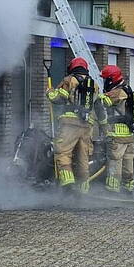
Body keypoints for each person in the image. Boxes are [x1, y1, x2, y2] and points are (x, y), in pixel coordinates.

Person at [46, 57, 97, 192]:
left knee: (63, 152)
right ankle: (83, 189)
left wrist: (49, 92)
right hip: (87, 125)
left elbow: (58, 99)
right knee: (83, 158)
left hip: (70, 124)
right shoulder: (94, 84)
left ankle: (67, 185)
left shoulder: (69, 80)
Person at [99, 65, 134, 194]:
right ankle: (128, 187)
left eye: (105, 79)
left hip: (117, 134)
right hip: (129, 134)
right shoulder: (127, 89)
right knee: (128, 162)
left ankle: (113, 188)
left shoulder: (117, 92)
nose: (104, 82)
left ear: (111, 79)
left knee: (115, 161)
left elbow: (104, 102)